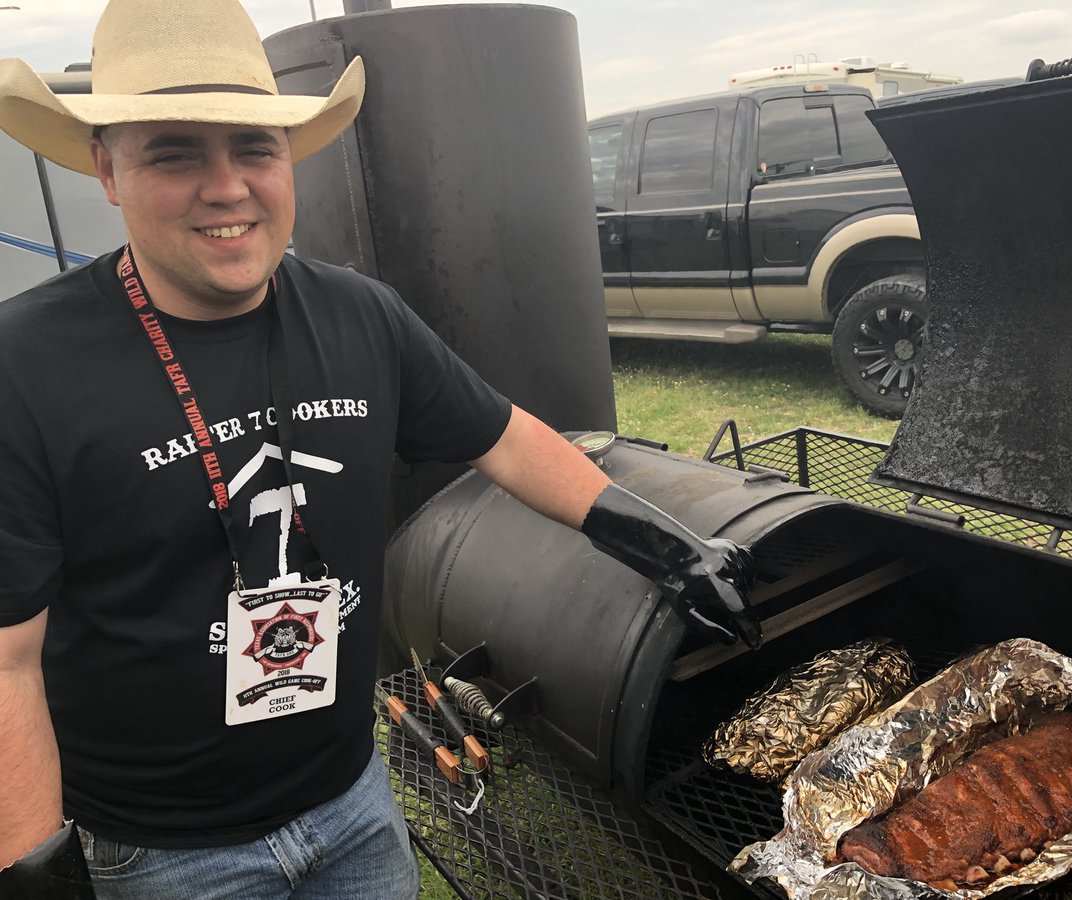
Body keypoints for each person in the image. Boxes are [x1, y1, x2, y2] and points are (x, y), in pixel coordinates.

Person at [0, 1, 760, 897]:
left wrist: (661, 541)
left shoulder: (360, 314)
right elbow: (8, 660)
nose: (228, 187)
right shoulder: (27, 364)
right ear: (107, 168)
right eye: (175, 153)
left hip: (352, 803)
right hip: (162, 854)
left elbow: (506, 437)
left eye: (254, 148)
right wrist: (35, 872)